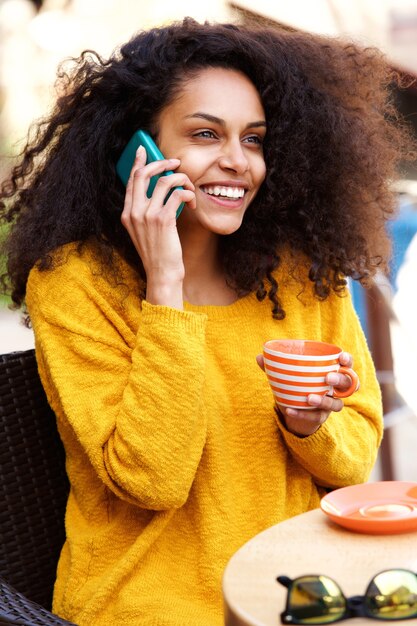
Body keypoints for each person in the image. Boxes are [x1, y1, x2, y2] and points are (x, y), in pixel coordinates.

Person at [0, 17, 412, 626]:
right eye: (204, 134)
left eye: (254, 139)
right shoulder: (78, 282)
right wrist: (164, 288)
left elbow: (353, 463)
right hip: (150, 604)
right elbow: (153, 480)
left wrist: (308, 426)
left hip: (298, 594)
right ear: (137, 150)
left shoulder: (300, 275)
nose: (236, 161)